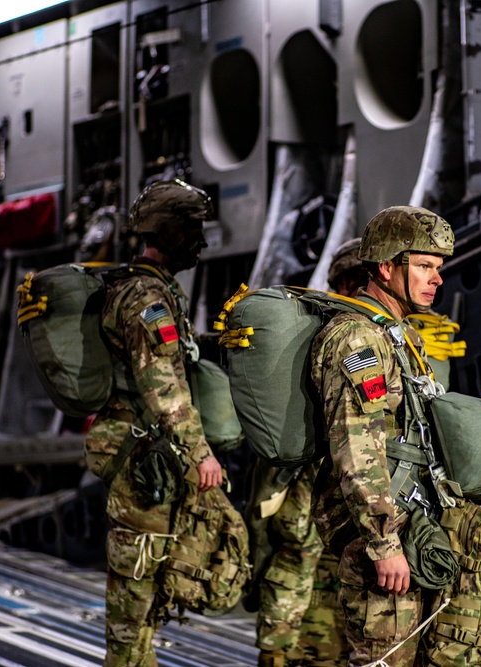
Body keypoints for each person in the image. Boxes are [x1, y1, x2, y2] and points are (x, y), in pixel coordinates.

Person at [309, 206, 481, 667]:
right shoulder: (357, 339)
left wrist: (476, 412)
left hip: (412, 525)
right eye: (424, 266)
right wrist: (384, 546)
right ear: (386, 267)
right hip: (383, 537)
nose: (437, 280)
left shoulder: (399, 335)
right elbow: (356, 448)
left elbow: (413, 419)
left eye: (438, 268)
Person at [83, 179, 227, 666]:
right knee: (134, 598)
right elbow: (160, 380)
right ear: (170, 232)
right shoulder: (147, 297)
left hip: (148, 452)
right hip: (140, 455)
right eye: (193, 229)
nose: (200, 241)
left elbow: (169, 357)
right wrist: (199, 452)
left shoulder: (153, 289)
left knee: (146, 594)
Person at [246, 238, 364, 667]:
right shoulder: (344, 334)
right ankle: (282, 649)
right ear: (351, 281)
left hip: (309, 472)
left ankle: (289, 649)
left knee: (309, 560)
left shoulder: (310, 329)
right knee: (304, 555)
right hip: (314, 472)